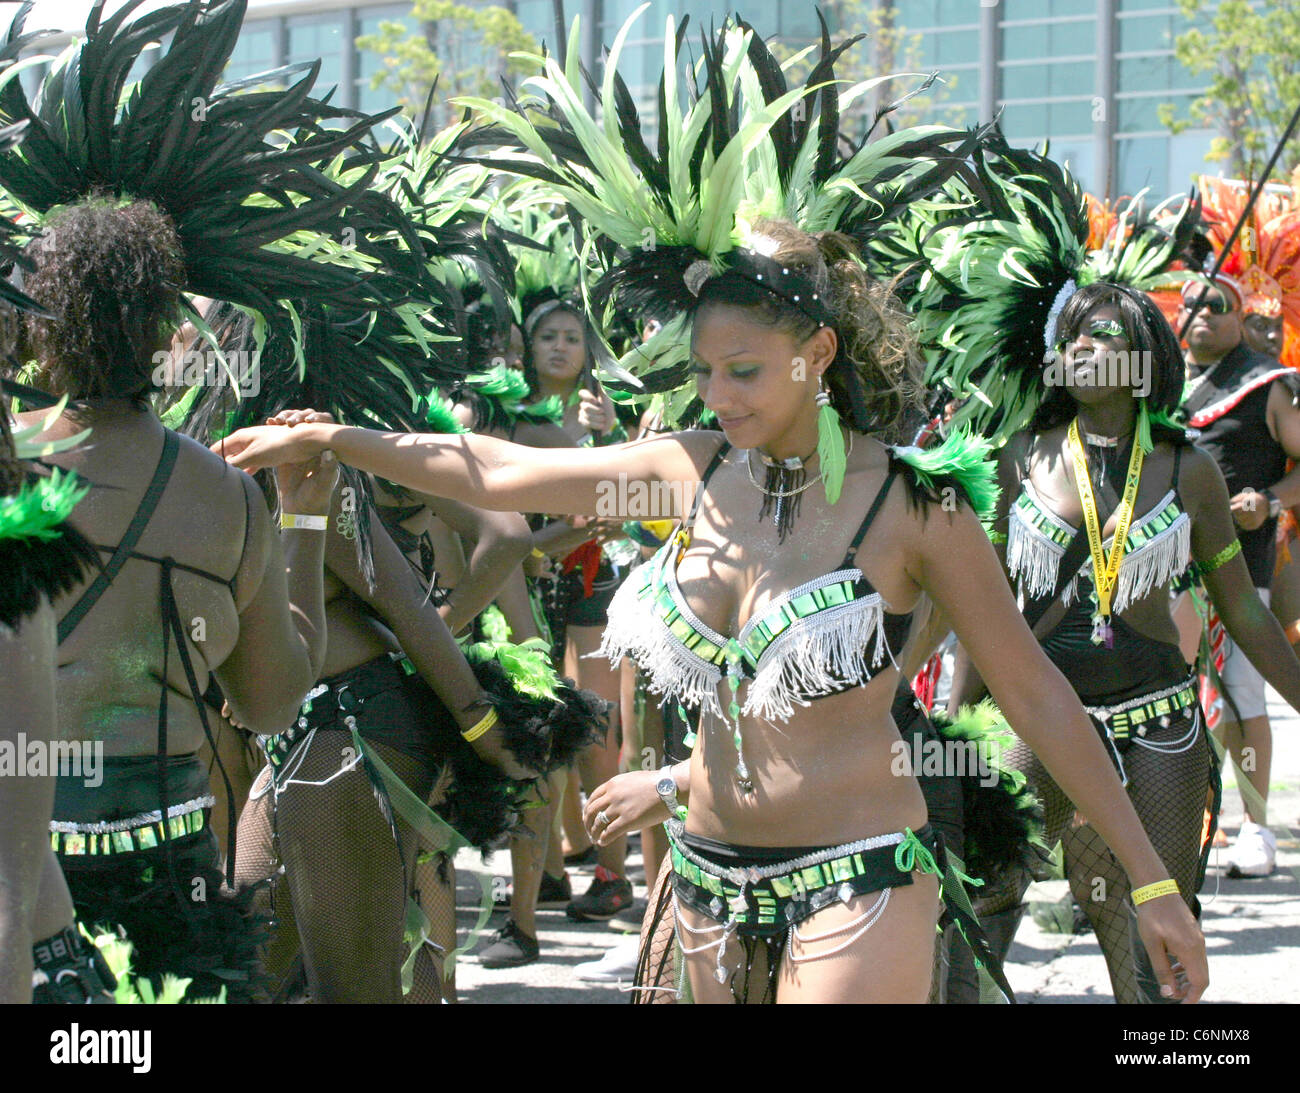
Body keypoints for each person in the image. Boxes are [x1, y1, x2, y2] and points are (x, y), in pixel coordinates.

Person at [214, 217, 1210, 1004]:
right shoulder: (690, 468)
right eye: (701, 372)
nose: (716, 394)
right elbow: (508, 469)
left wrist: (1152, 882)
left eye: (743, 371)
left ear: (816, 353)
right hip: (703, 884)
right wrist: (344, 439)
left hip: (855, 878)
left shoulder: (914, 505)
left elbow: (1034, 695)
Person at [11, 197, 334, 1002]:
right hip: (173, 889)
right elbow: (270, 703)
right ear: (165, 336)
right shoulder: (227, 498)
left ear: (40, 326)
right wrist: (307, 517)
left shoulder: (6, 463)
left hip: (18, 865)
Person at [969, 282, 1300, 1001]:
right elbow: (985, 610)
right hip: (1040, 718)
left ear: (1145, 359)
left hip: (1160, 726)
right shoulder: (1020, 457)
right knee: (984, 908)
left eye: (1106, 335)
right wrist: (953, 724)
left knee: (1155, 942)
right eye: (1073, 336)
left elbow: (1242, 606)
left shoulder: (1188, 469)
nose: (1083, 346)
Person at [1179, 273, 1300, 877]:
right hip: (1165, 572)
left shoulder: (1267, 385)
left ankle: (1256, 828)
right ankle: (1188, 821)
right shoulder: (1159, 384)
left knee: (1240, 693)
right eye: (1194, 305)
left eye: (1218, 306)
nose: (1203, 315)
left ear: (1239, 316)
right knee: (1172, 699)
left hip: (1236, 568)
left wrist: (1271, 502)